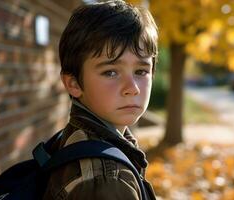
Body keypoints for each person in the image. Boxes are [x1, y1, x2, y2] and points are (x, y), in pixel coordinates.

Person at [42, 0, 158, 199]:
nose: (132, 88)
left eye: (141, 71)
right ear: (73, 84)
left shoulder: (80, 139)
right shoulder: (105, 179)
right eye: (111, 72)